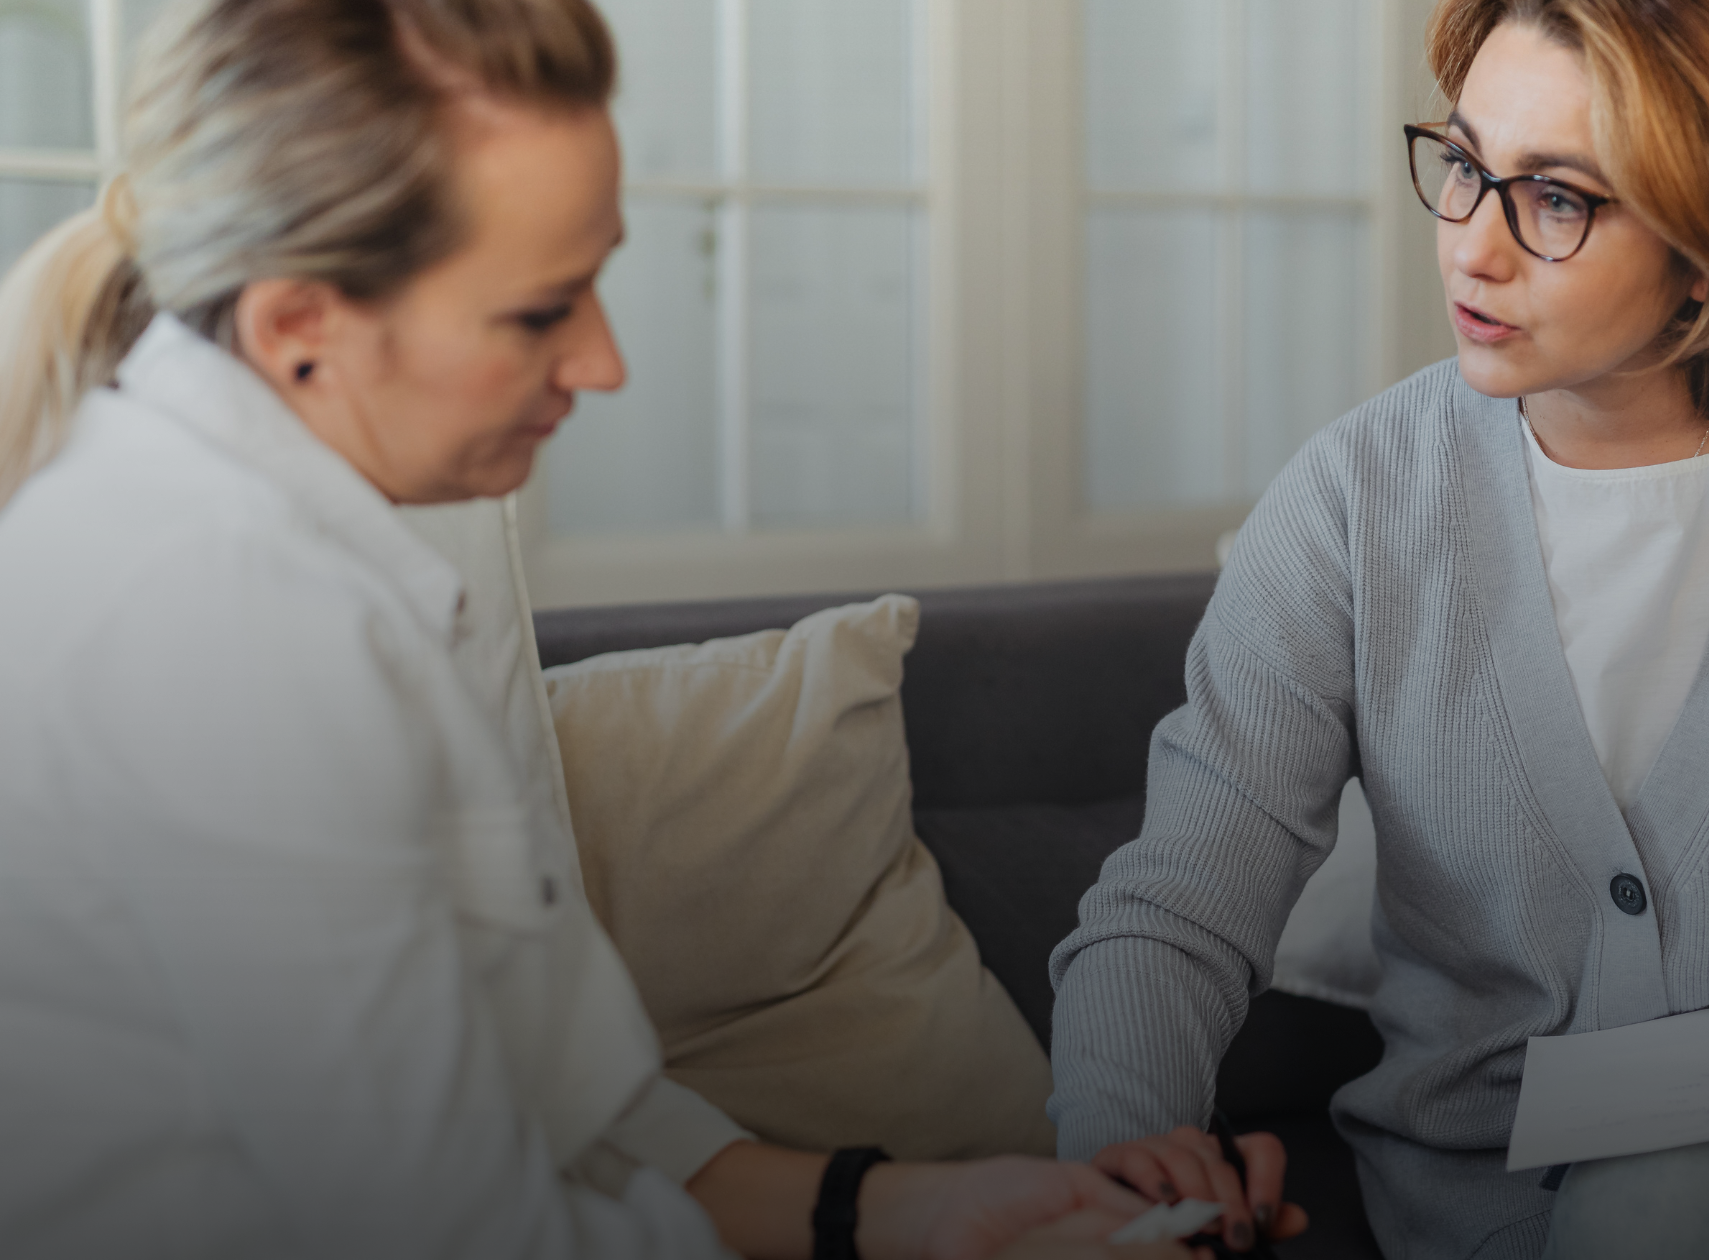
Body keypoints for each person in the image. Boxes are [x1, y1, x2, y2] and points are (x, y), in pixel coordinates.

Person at [0, 3, 1188, 1257]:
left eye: (597, 282)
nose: (605, 362)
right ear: (300, 326)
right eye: (539, 311)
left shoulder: (329, 547)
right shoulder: (225, 633)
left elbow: (564, 1113)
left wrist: (907, 1211)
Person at [1047, 2, 1709, 1259]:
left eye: (1554, 199)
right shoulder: (1351, 500)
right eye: (1462, 165)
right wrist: (1118, 1138)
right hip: (1468, 1184)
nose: (1469, 250)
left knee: (1654, 1212)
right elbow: (1181, 897)